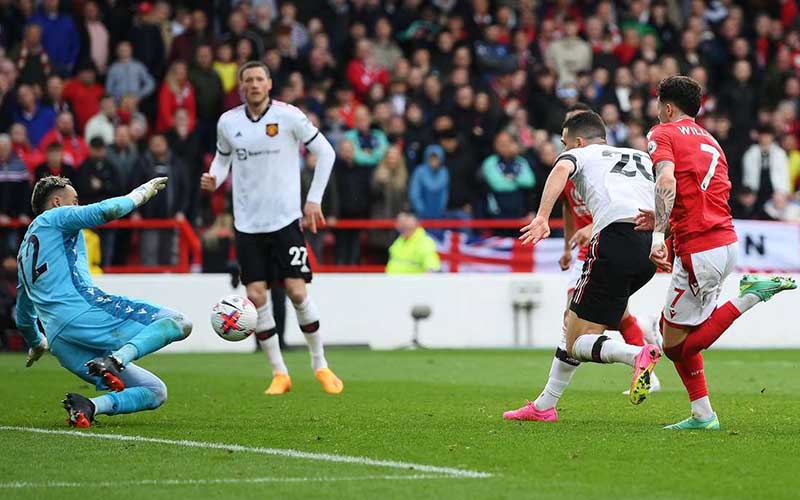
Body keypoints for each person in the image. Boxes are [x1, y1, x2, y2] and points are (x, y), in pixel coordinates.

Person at [640, 76, 797, 430]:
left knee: (674, 346)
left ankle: (751, 297)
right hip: (722, 241)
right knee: (674, 329)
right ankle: (702, 413)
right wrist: (662, 218)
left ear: (666, 107)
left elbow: (665, 181)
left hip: (699, 249)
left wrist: (656, 236)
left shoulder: (662, 133)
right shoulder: (711, 141)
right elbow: (698, 197)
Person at [508, 106, 660, 423]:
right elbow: (667, 195)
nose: (564, 150)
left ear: (577, 142)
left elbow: (560, 170)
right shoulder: (641, 157)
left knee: (575, 340)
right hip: (647, 247)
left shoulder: (584, 155)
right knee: (579, 326)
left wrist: (540, 217)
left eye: (565, 144)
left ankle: (637, 354)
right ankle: (544, 405)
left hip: (614, 242)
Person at [200, 61, 341, 396]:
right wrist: (214, 177)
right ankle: (280, 373)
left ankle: (320, 364)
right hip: (247, 224)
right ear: (241, 86)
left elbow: (326, 152)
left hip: (286, 220)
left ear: (269, 83)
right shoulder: (228, 122)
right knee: (256, 296)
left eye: (259, 79)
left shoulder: (289, 116)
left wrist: (314, 200)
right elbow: (222, 161)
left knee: (296, 291)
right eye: (247, 80)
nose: (253, 84)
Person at [16, 175, 192, 428]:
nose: (77, 207)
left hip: (60, 341)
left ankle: (90, 406)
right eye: (74, 201)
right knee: (179, 322)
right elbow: (107, 210)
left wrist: (36, 343)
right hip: (84, 312)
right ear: (56, 202)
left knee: (154, 391)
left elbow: (23, 315)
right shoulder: (55, 217)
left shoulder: (24, 252)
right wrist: (141, 193)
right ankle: (117, 359)